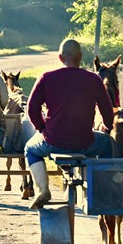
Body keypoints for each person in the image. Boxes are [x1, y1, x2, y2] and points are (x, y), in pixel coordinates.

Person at [25, 38, 115, 209]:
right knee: (109, 144)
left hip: (52, 142)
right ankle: (103, 187)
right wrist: (105, 128)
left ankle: (43, 190)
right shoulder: (94, 79)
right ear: (80, 57)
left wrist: (42, 129)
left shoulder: (47, 77)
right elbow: (107, 111)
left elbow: (32, 109)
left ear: (60, 58)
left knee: (30, 149)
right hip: (86, 143)